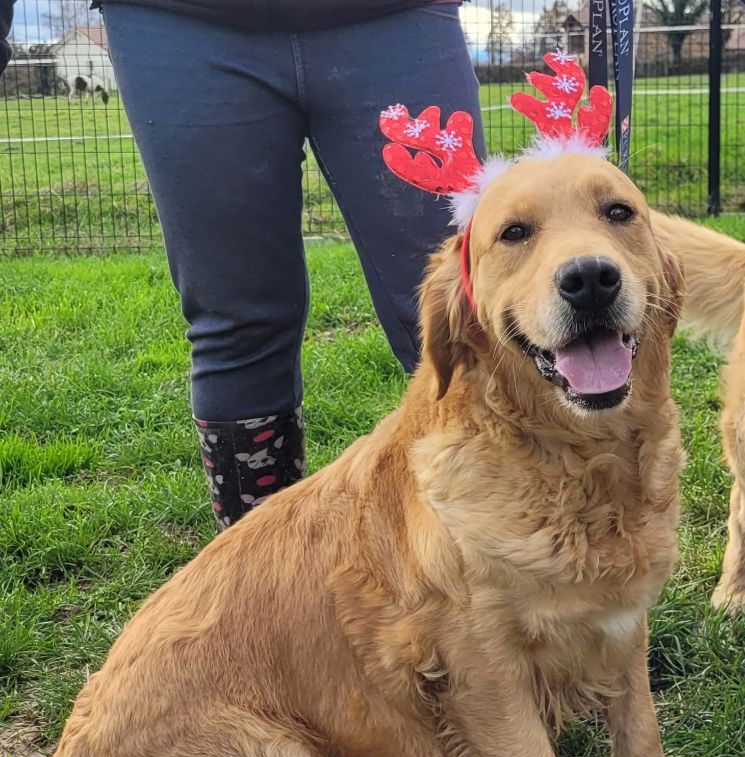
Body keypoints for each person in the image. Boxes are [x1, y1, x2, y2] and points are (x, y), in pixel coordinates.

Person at [3, 1, 485, 529]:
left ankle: (521, 555)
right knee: (239, 326)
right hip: (175, 22)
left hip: (397, 16)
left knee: (473, 309)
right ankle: (262, 575)